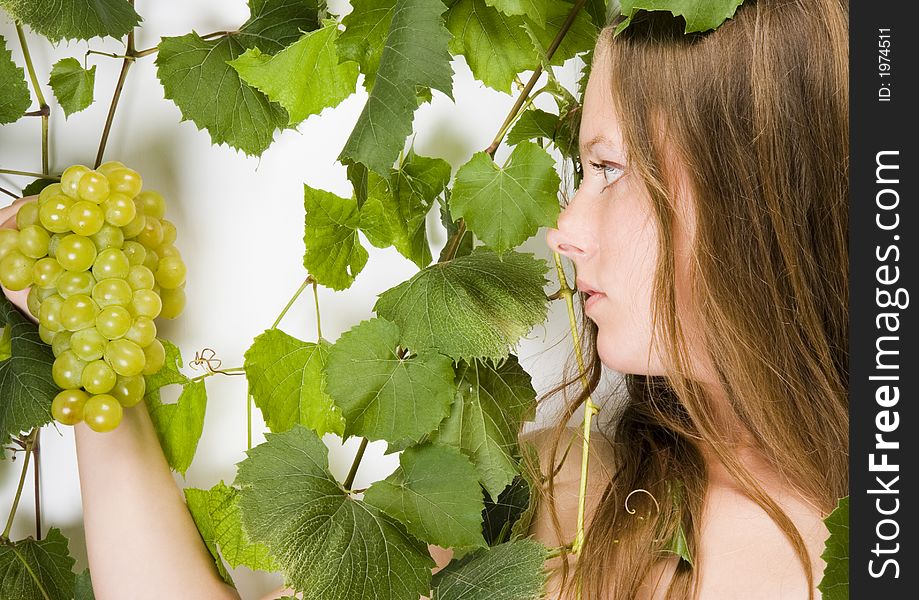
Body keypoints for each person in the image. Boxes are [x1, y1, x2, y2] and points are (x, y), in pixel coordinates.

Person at [1, 0, 848, 597]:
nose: (562, 230)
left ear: (758, 190)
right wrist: (90, 363)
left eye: (609, 169)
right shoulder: (562, 488)